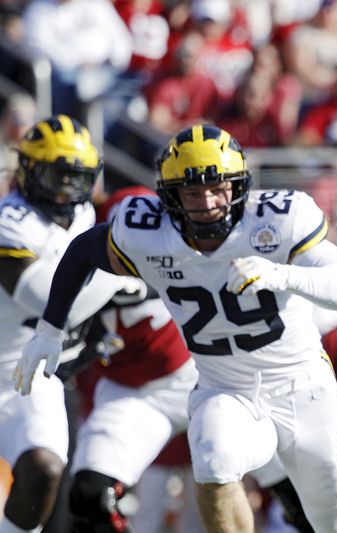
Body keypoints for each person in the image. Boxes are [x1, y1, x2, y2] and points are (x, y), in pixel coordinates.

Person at [15, 124, 337, 533]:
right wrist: (50, 328)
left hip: (304, 389)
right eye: (191, 192)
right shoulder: (148, 233)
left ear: (238, 185)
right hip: (227, 389)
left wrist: (284, 276)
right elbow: (83, 251)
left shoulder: (275, 220)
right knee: (214, 456)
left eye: (217, 188)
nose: (207, 202)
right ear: (169, 198)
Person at [0, 115, 133, 533]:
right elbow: (49, 302)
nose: (66, 189)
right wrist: (121, 278)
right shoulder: (9, 222)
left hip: (28, 373)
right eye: (56, 175)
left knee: (45, 470)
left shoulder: (82, 215)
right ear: (28, 168)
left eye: (77, 177)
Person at [66, 186, 199, 533]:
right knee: (92, 495)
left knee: (287, 488)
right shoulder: (82, 265)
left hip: (206, 381)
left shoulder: (199, 255)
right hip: (130, 393)